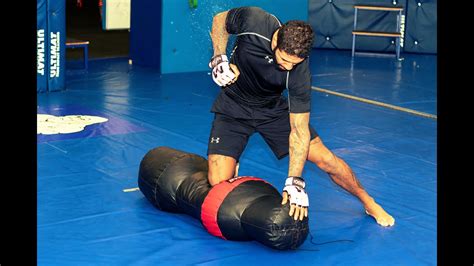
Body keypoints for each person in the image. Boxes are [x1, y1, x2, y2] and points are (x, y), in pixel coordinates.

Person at [206, 6, 395, 226]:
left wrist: (294, 180)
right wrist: (219, 57)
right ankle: (232, 157)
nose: (288, 68)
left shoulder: (299, 72)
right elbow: (220, 20)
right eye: (284, 61)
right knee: (217, 181)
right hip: (234, 104)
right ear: (275, 42)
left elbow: (299, 130)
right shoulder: (254, 21)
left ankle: (368, 201)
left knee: (326, 160)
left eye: (294, 64)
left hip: (272, 110)